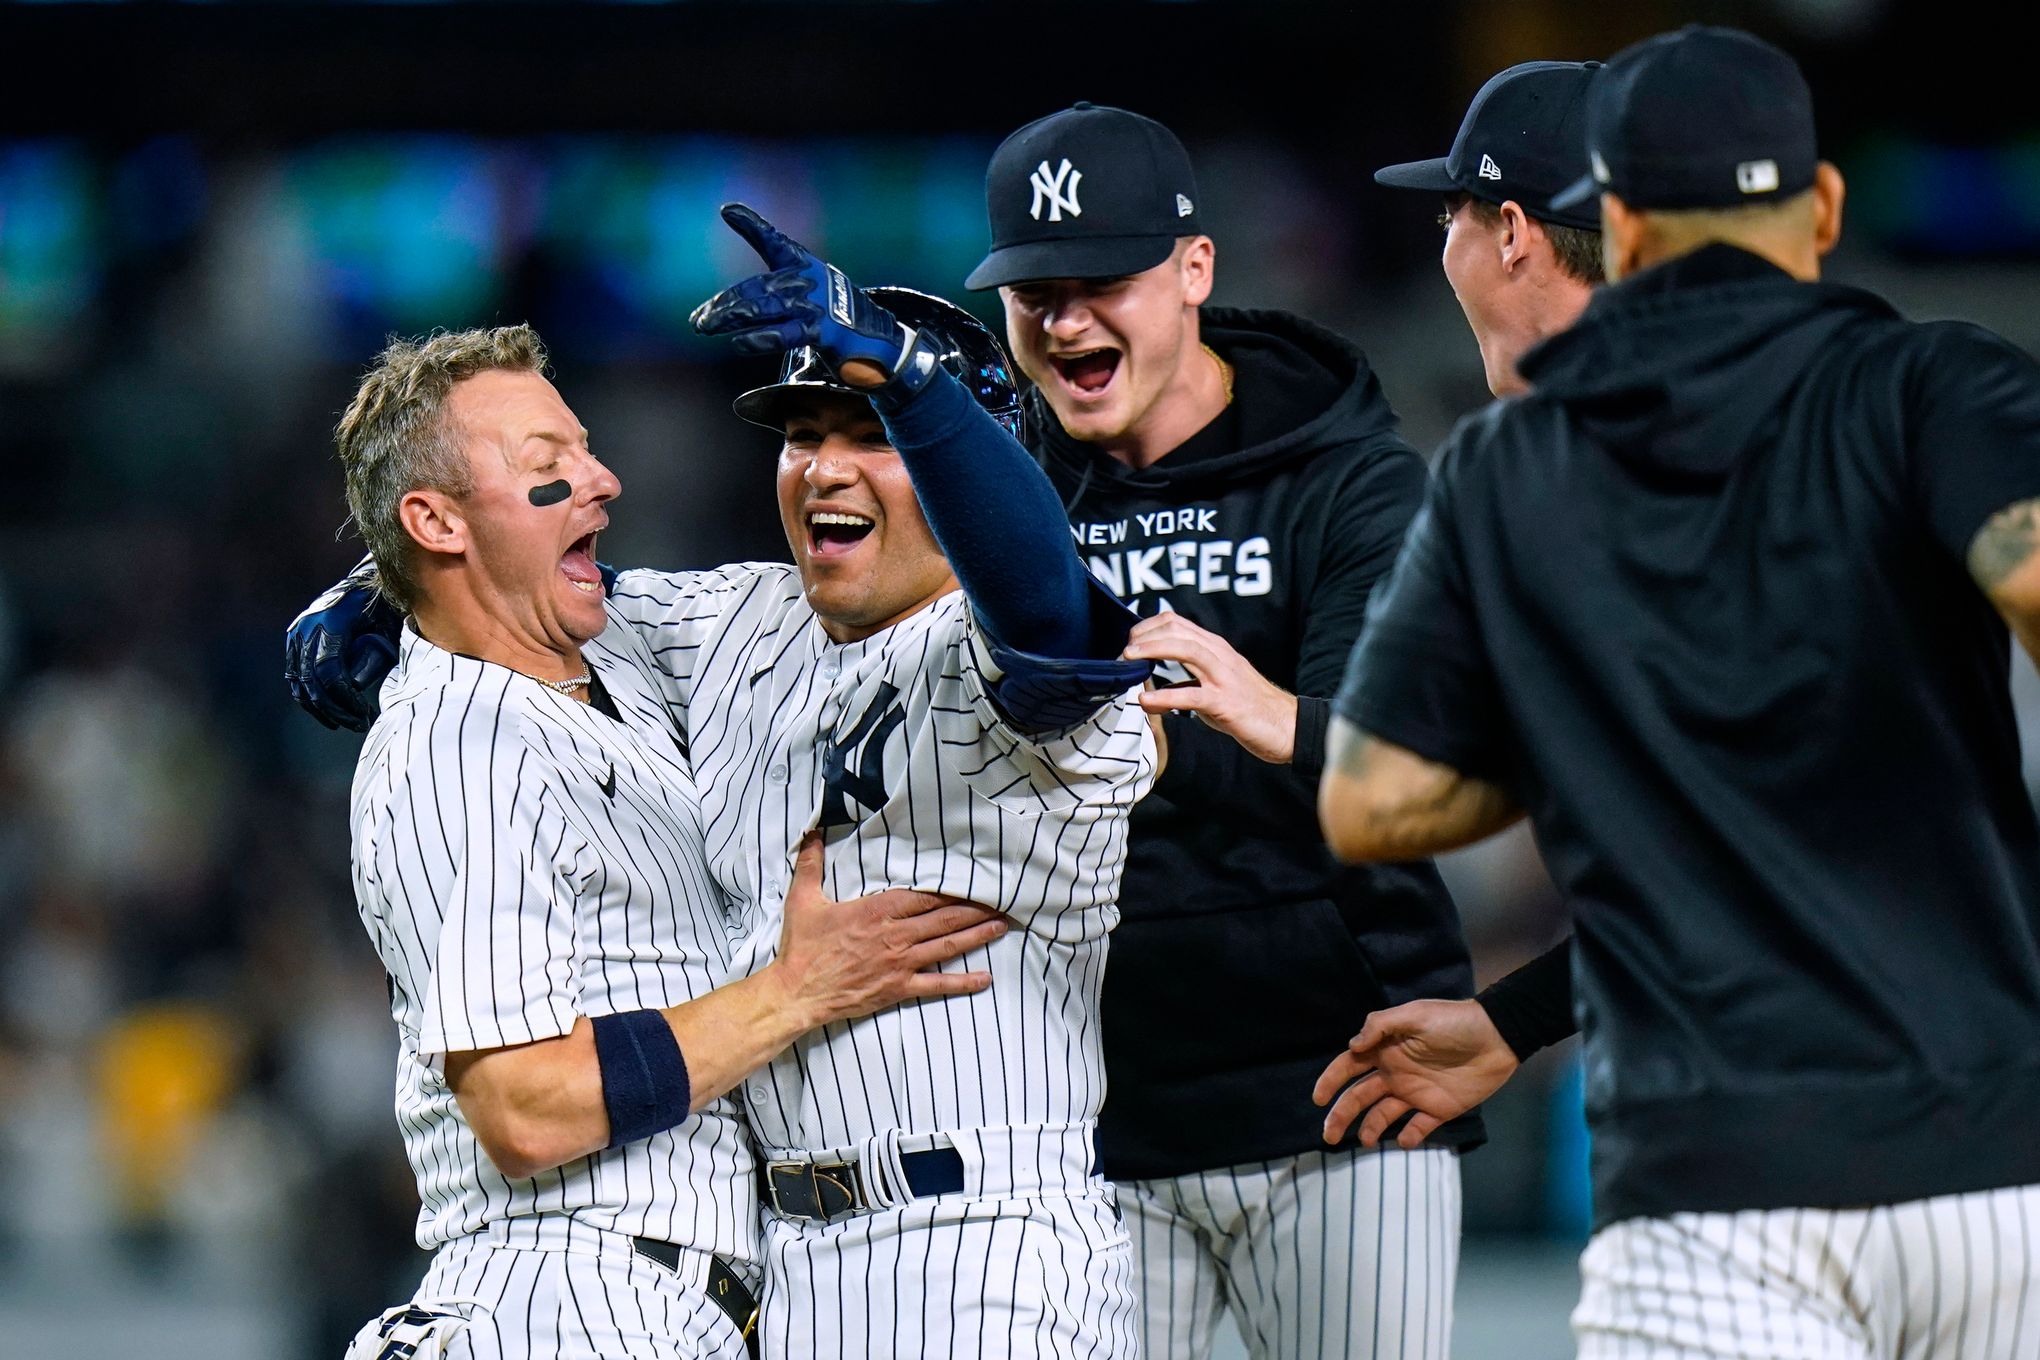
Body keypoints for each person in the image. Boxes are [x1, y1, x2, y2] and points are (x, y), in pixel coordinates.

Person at [291, 207, 1159, 1359]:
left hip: (981, 1238)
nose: (825, 466)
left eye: (873, 430)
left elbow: (1047, 610)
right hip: (768, 1275)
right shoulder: (731, 622)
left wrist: (920, 387)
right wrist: (385, 581)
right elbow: (514, 600)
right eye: (805, 431)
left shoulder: (1034, 665)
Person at [1319, 25, 2040, 1358]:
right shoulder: (1934, 385)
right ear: (1819, 207)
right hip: (1998, 1177)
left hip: (1720, 1190)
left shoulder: (1520, 469)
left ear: (1619, 224)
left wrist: (1622, 722)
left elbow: (1376, 801)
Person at [966, 101, 1475, 1360]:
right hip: (1090, 1116)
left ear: (1195, 270)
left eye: (1102, 282)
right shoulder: (996, 496)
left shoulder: (1352, 479)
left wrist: (1271, 712)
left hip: (1344, 1098)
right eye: (1035, 291)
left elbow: (1414, 762)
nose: (1065, 319)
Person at [1314, 60, 1609, 1153]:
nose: (1446, 248)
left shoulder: (1614, 477)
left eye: (1453, 214)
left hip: (1771, 1143)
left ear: (1515, 232)